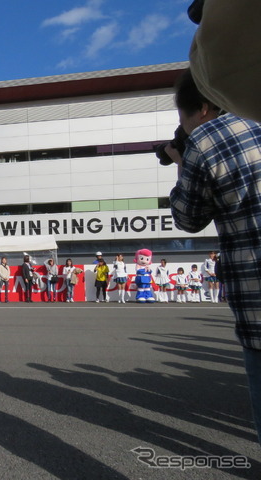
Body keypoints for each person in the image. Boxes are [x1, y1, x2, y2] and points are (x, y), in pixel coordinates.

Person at [169, 67, 261, 443]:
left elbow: (188, 219)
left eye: (183, 118)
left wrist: (181, 163)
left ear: (203, 108)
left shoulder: (206, 141)